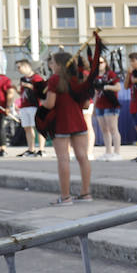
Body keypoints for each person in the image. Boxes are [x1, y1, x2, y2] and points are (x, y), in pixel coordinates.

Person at [40, 49, 94, 204]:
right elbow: (85, 105)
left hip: (60, 123)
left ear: (59, 65)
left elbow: (50, 104)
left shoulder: (55, 80)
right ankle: (85, 193)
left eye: (53, 63)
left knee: (63, 159)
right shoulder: (78, 79)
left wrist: (42, 103)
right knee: (83, 157)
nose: (51, 65)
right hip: (78, 121)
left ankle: (65, 197)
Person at [91, 57, 122, 161]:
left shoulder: (110, 74)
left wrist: (106, 87)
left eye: (101, 62)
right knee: (104, 129)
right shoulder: (95, 77)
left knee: (113, 128)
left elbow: (118, 87)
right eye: (97, 62)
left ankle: (117, 152)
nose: (99, 64)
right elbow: (96, 93)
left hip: (111, 105)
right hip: (100, 105)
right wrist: (94, 107)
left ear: (105, 63)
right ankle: (108, 151)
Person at [14, 60, 47, 157]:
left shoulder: (37, 78)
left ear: (26, 66)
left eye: (19, 67)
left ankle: (41, 149)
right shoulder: (22, 79)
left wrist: (30, 86)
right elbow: (22, 93)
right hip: (25, 105)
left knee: (38, 127)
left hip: (35, 105)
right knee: (27, 128)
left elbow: (42, 91)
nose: (18, 70)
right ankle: (31, 148)